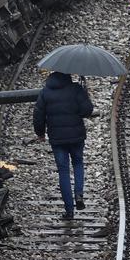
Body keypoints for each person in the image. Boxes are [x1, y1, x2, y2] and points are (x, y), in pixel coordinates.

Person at [33, 70, 94, 218]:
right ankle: (79, 194)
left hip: (57, 138)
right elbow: (87, 111)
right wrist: (84, 93)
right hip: (76, 136)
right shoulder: (76, 89)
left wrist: (40, 133)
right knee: (78, 163)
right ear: (68, 76)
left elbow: (38, 115)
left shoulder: (45, 92)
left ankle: (69, 211)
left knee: (63, 171)